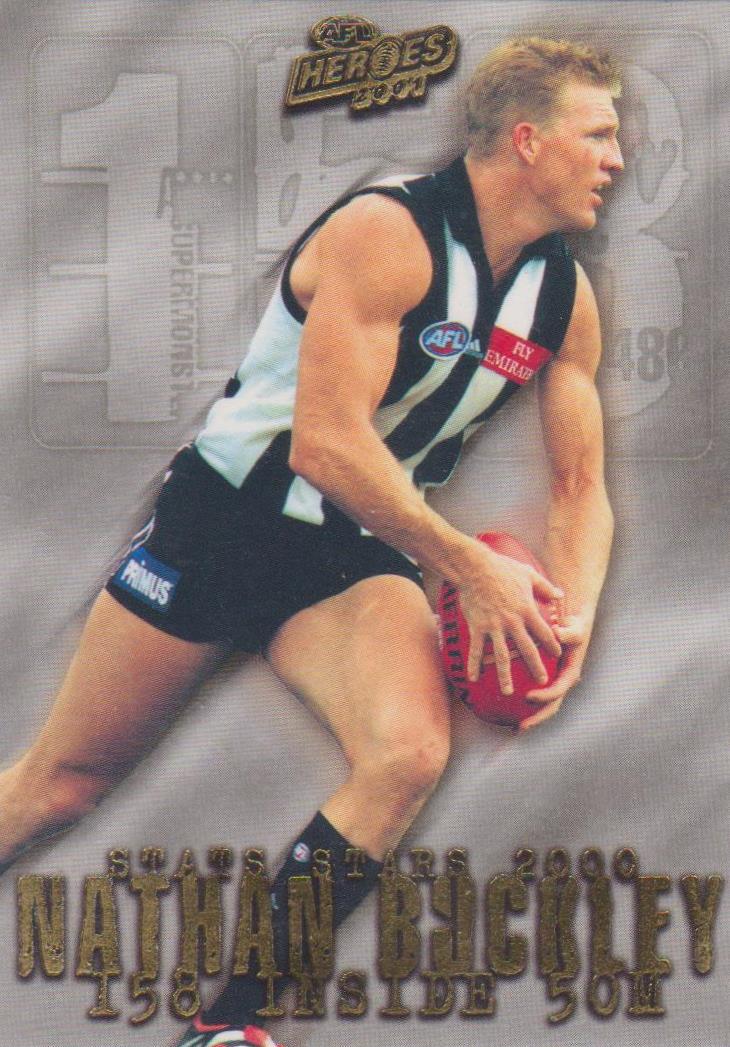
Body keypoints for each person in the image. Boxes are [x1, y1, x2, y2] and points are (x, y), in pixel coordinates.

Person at [0, 36, 622, 1047]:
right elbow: (326, 445)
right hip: (225, 521)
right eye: (596, 134)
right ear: (527, 140)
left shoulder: (564, 300)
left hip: (350, 550)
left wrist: (574, 614)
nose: (615, 158)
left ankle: (226, 1029)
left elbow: (581, 487)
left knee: (406, 754)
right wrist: (472, 569)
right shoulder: (388, 231)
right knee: (62, 785)